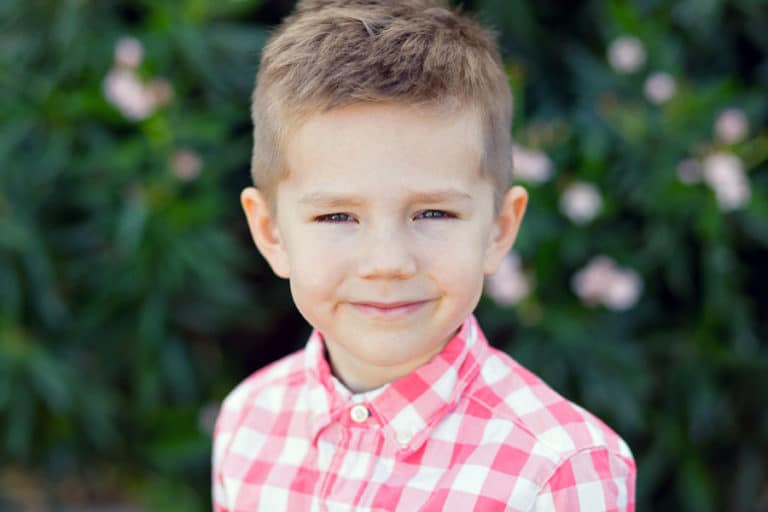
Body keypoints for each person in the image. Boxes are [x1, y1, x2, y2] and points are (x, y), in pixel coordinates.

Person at [212, 1, 636, 510]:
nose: (388, 262)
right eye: (337, 217)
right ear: (271, 233)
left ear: (499, 229)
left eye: (433, 214)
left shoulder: (559, 469)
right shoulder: (248, 420)